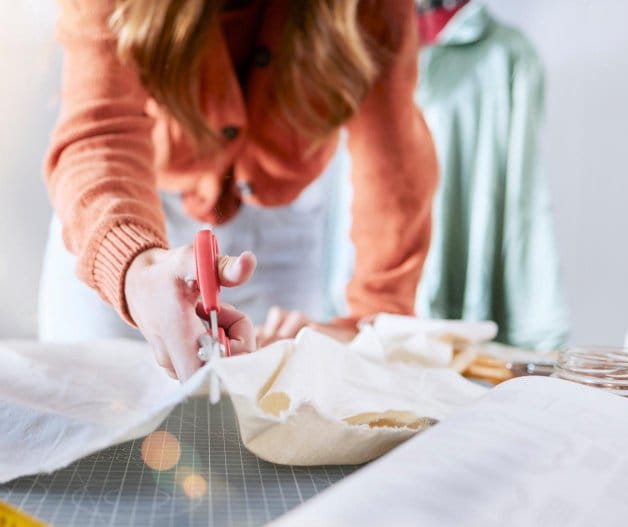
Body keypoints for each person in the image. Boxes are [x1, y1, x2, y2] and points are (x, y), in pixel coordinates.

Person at [41, 0, 437, 380]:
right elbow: (100, 131)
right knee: (102, 413)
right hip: (122, 217)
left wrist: (372, 318)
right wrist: (136, 268)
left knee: (271, 410)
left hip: (281, 231)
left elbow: (392, 152)